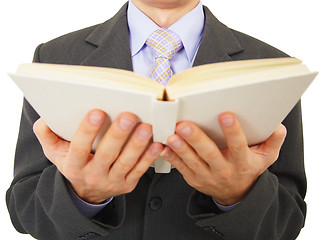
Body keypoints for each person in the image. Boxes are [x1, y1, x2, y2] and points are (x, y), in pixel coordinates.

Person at [6, 0, 306, 239]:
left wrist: (237, 196)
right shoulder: (54, 57)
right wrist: (83, 196)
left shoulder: (273, 65)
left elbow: (288, 220)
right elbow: (24, 209)